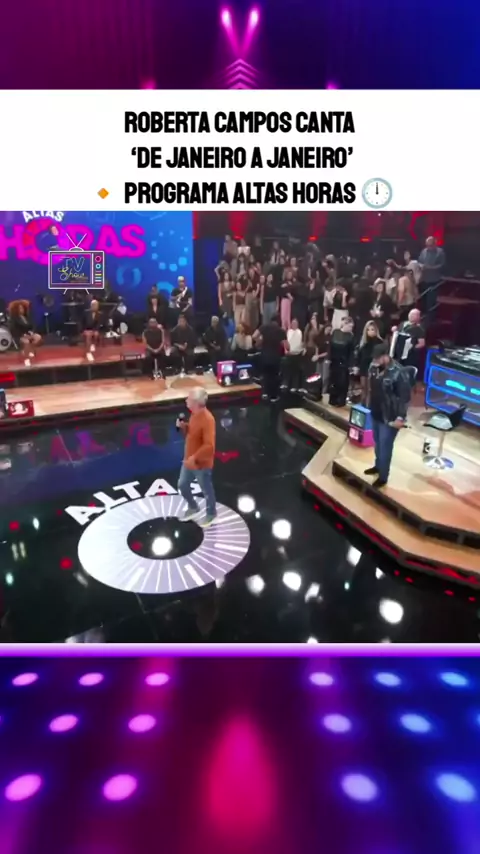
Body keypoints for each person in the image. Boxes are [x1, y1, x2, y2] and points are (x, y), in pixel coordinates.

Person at [364, 342, 412, 488]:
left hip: (390, 417)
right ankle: (378, 466)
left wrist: (400, 417)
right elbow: (371, 388)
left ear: (386, 356)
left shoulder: (399, 372)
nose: (375, 361)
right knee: (377, 443)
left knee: (385, 447)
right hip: (376, 411)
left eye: (378, 358)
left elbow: (404, 398)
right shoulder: (373, 367)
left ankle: (383, 476)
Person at [176, 387, 217, 527]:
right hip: (188, 460)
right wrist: (184, 427)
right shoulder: (194, 415)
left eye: (189, 398)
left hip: (201, 464)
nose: (186, 400)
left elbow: (209, 446)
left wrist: (194, 458)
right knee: (182, 485)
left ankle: (211, 514)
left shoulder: (208, 420)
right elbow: (192, 434)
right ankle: (193, 507)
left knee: (206, 490)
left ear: (196, 403)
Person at [253, 314, 287, 402]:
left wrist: (259, 341)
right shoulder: (281, 331)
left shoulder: (264, 327)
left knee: (265, 375)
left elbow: (254, 336)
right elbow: (287, 346)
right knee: (274, 376)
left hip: (265, 356)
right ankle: (273, 396)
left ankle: (265, 393)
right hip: (275, 357)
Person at [328, 316, 355, 407]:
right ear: (345, 324)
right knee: (333, 380)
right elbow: (330, 346)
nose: (351, 328)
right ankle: (333, 399)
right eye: (350, 326)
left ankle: (340, 400)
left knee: (342, 382)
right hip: (334, 361)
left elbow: (351, 351)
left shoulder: (350, 336)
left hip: (344, 362)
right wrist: (329, 358)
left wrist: (351, 365)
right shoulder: (335, 332)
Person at [418, 235, 446, 317]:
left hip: (434, 280)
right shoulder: (423, 251)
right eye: (427, 245)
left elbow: (442, 265)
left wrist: (430, 268)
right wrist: (421, 266)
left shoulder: (440, 252)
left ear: (434, 244)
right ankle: (423, 316)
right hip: (424, 279)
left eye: (430, 245)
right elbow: (419, 262)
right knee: (423, 300)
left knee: (431, 301)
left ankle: (431, 317)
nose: (428, 247)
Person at [391, 308, 426, 373]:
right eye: (410, 313)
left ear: (418, 317)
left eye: (414, 314)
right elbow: (396, 334)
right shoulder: (402, 323)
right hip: (397, 352)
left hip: (408, 355)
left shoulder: (419, 329)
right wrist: (394, 330)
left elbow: (422, 343)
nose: (411, 315)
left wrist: (412, 348)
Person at [8, 300, 42, 366]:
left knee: (38, 337)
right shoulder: (13, 319)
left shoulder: (27, 317)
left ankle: (30, 350)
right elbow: (13, 330)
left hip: (28, 334)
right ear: (16, 310)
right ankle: (27, 358)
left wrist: (32, 332)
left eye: (22, 308)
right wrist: (23, 335)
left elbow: (32, 326)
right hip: (19, 336)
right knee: (26, 341)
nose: (22, 310)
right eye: (20, 308)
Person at [356, 321, 383, 404]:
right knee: (363, 388)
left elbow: (381, 357)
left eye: (372, 329)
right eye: (368, 330)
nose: (370, 331)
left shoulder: (380, 342)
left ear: (376, 330)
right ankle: (362, 405)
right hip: (363, 367)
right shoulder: (363, 342)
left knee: (370, 390)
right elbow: (359, 356)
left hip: (373, 368)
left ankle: (368, 406)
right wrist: (357, 366)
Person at [283, 318, 304, 391]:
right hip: (289, 354)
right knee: (288, 370)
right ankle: (287, 384)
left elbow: (299, 343)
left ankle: (295, 386)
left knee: (296, 371)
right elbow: (286, 341)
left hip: (296, 354)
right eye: (293, 323)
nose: (294, 324)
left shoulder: (299, 332)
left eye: (295, 323)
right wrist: (286, 350)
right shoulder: (289, 332)